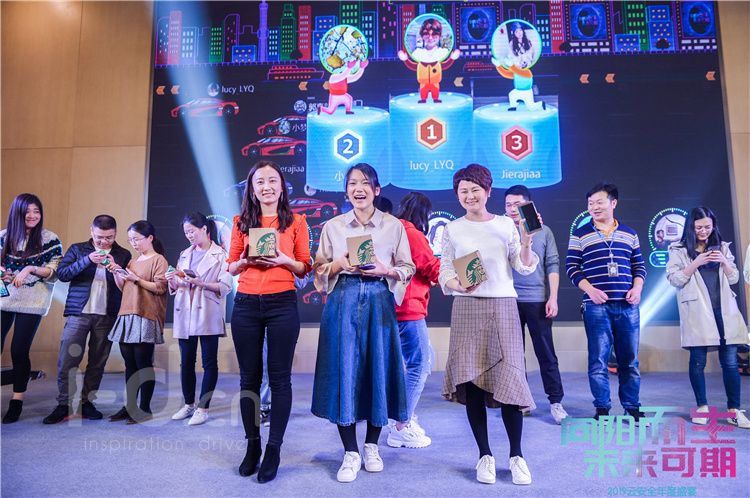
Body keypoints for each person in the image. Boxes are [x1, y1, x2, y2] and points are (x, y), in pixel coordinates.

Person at [311, 163, 415, 483]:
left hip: (378, 301)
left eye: (365, 183)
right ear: (346, 191)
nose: (359, 189)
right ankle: (350, 451)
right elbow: (318, 270)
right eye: (353, 183)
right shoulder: (333, 226)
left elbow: (408, 267)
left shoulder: (393, 226)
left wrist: (386, 270)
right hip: (342, 301)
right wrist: (338, 264)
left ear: (376, 190)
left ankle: (371, 445)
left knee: (377, 371)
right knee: (344, 372)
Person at [440, 165, 538, 486]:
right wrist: (459, 285)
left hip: (503, 306)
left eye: (475, 190)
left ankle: (517, 455)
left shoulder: (506, 224)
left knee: (511, 379)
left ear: (488, 191)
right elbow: (445, 272)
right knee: (472, 384)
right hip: (467, 307)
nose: (470, 196)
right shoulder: (453, 229)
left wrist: (526, 242)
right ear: (457, 195)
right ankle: (485, 455)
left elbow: (523, 266)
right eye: (463, 191)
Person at [227, 160, 311, 483]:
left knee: (280, 380)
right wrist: (244, 260)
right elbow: (231, 266)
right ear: (252, 189)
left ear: (282, 186)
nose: (266, 186)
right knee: (248, 379)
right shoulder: (240, 222)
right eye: (259, 181)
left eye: (272, 180)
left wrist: (283, 260)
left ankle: (274, 449)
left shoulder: (297, 222)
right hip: (246, 304)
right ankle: (253, 446)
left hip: (282, 304)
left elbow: (304, 266)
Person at [566, 183, 647, 423]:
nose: (594, 207)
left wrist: (637, 289)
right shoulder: (580, 234)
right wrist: (590, 290)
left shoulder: (630, 233)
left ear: (613, 203)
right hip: (596, 307)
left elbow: (639, 266)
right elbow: (572, 267)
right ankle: (602, 407)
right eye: (590, 203)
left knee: (629, 361)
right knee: (598, 361)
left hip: (628, 306)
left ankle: (632, 407)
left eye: (599, 202)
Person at [666, 207, 750, 429]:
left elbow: (734, 278)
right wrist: (696, 262)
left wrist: (724, 261)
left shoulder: (722, 247)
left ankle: (734, 410)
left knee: (730, 362)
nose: (704, 231)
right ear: (691, 227)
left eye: (708, 227)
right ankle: (702, 407)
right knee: (698, 361)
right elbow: (674, 279)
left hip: (724, 311)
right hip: (697, 312)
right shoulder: (678, 249)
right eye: (699, 227)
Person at [43, 215, 131, 424]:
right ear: (91, 232)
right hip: (78, 313)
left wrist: (116, 269)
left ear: (115, 234)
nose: (104, 241)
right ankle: (64, 404)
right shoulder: (78, 249)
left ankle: (87, 403)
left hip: (107, 314)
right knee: (67, 360)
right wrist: (87, 260)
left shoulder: (123, 254)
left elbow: (127, 285)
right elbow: (62, 274)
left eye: (109, 237)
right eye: (100, 237)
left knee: (98, 362)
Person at [503, 185, 568, 424]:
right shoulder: (500, 230)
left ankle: (556, 402)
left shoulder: (544, 232)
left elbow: (552, 264)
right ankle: (522, 400)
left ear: (529, 205)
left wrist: (553, 297)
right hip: (508, 300)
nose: (512, 209)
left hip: (537, 300)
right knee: (513, 355)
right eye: (508, 205)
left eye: (518, 204)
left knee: (546, 353)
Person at [0, 193, 63, 423]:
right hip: (4, 298)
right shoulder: (3, 236)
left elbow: (55, 271)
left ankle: (16, 400)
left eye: (37, 211)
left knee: (19, 350)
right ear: (17, 213)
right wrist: (2, 273)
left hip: (33, 300)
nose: (33, 215)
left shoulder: (50, 239)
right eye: (28, 211)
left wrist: (30, 269)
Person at [167, 213, 232, 426]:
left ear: (204, 229)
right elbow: (178, 285)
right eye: (186, 233)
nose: (189, 236)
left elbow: (225, 286)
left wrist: (201, 283)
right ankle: (188, 404)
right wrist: (172, 280)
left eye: (192, 231)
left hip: (207, 312)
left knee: (209, 362)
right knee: (186, 361)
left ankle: (203, 408)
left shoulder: (220, 254)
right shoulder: (184, 254)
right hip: (185, 312)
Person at [387, 192, 439, 449]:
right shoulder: (412, 233)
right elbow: (431, 267)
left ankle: (399, 418)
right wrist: (458, 276)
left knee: (409, 364)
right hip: (409, 308)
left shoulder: (392, 229)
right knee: (420, 364)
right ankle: (401, 424)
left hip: (393, 307)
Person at [106, 220, 168, 424]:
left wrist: (136, 279)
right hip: (127, 313)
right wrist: (118, 273)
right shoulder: (133, 261)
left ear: (150, 238)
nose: (133, 243)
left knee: (143, 364)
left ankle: (145, 408)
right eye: (130, 240)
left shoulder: (159, 260)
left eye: (137, 239)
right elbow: (124, 287)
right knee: (130, 364)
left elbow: (160, 288)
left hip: (145, 315)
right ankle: (130, 406)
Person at [398, 18, 460, 103]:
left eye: (434, 34)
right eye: (427, 34)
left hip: (436, 82)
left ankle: (435, 98)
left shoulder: (443, 52)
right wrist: (405, 60)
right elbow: (414, 66)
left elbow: (444, 65)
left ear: (439, 35)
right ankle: (423, 99)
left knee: (435, 89)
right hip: (423, 82)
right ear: (422, 35)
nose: (430, 38)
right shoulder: (417, 53)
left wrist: (452, 58)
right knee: (423, 90)